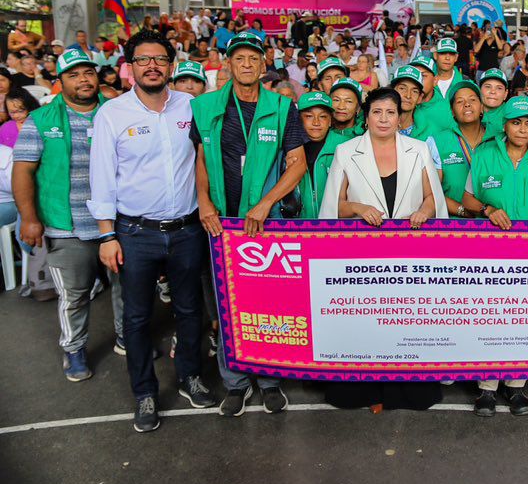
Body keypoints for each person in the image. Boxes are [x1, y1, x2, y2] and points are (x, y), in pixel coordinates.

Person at [88, 31, 216, 433]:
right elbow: (102, 178)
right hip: (134, 233)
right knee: (139, 318)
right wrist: (107, 236)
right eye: (143, 60)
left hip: (186, 229)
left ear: (171, 65)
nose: (152, 66)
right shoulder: (112, 114)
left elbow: (204, 160)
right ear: (130, 67)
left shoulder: (191, 107)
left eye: (159, 59)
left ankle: (190, 377)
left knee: (190, 310)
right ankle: (144, 392)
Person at [190, 31, 308, 417]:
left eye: (253, 59)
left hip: (266, 222)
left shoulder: (281, 106)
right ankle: (236, 382)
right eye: (238, 58)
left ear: (263, 65)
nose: (245, 64)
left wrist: (264, 204)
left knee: (270, 303)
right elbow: (202, 159)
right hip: (221, 222)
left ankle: (270, 380)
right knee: (228, 306)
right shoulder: (205, 107)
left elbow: (298, 163)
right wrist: (204, 201)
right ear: (228, 64)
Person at [12, 49, 121, 382]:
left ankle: (127, 338)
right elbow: (23, 172)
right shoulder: (42, 120)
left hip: (119, 223)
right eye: (73, 75)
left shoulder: (116, 112)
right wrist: (30, 219)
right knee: (74, 295)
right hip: (65, 224)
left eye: (88, 72)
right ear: (59, 82)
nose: (83, 80)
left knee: (125, 287)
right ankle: (74, 348)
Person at [462, 96, 528, 416]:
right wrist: (488, 209)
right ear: (504, 125)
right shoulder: (484, 154)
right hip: (490, 253)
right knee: (491, 316)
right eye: (516, 122)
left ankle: (516, 387)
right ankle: (487, 388)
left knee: (522, 317)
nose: (523, 129)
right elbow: (467, 197)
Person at [319, 86, 445, 225]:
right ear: (366, 118)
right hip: (362, 240)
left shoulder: (420, 149)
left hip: (410, 237)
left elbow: (432, 196)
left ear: (398, 119)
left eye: (390, 112)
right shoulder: (345, 151)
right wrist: (358, 208)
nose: (383, 119)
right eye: (377, 112)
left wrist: (423, 213)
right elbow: (333, 206)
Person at [432, 80, 488, 217]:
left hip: (496, 225)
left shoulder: (498, 139)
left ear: (482, 107)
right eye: (459, 101)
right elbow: (431, 192)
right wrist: (462, 210)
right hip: (453, 225)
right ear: (452, 112)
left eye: (472, 100)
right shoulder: (437, 141)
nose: (467, 104)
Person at [296, 92, 348, 218]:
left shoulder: (346, 147)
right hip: (298, 228)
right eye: (309, 116)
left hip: (335, 228)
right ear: (299, 119)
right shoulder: (289, 148)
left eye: (323, 117)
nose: (316, 122)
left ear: (330, 121)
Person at [407, 54, 453, 137]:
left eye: (423, 76)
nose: (417, 80)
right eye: (414, 75)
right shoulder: (399, 104)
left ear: (435, 80)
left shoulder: (447, 111)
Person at [478, 68, 509, 138]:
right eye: (488, 87)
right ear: (479, 90)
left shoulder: (510, 116)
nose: (493, 91)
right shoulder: (469, 112)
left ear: (505, 94)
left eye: (499, 88)